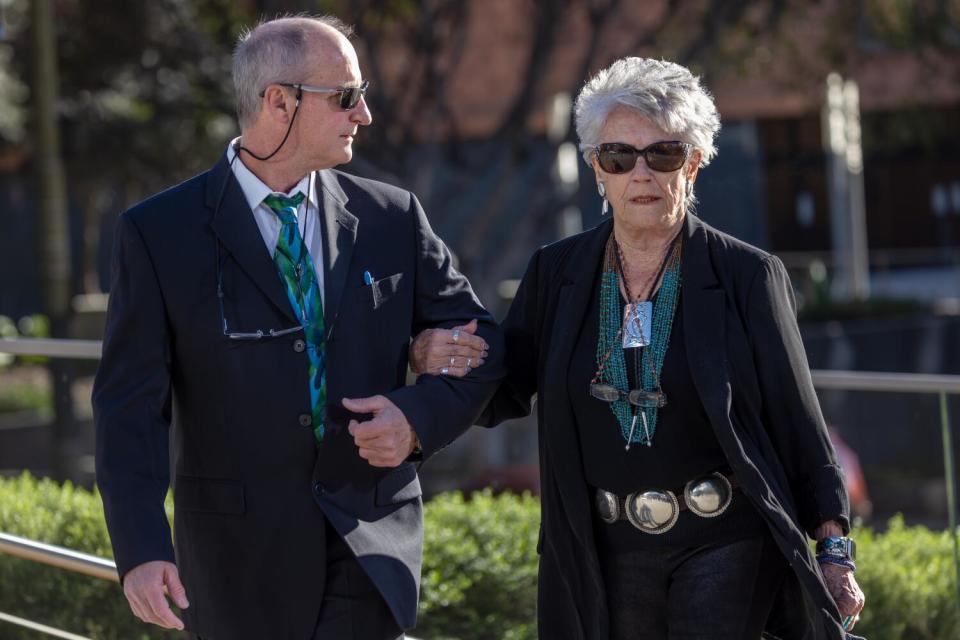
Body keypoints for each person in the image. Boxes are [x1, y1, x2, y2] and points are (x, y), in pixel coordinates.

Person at [410, 57, 865, 639]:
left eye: (664, 154)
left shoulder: (747, 275)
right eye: (619, 157)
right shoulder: (557, 273)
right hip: (601, 548)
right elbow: (504, 387)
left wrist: (835, 555)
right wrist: (429, 361)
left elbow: (799, 424)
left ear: (695, 164)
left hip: (724, 539)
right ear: (597, 170)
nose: (641, 174)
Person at [93, 15, 501, 640]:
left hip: (371, 546)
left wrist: (416, 420)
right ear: (277, 102)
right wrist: (142, 547)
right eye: (346, 96)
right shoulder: (157, 233)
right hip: (236, 562)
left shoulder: (392, 216)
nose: (363, 114)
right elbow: (129, 407)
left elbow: (481, 342)